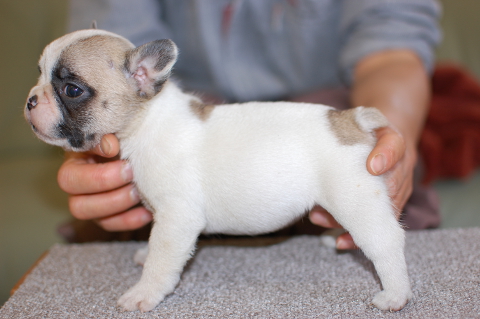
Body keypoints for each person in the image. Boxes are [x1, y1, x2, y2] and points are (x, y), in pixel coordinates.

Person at [58, 0, 442, 249]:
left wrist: (386, 142)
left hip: (327, 107)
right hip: (184, 120)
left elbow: (391, 50)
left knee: (361, 191)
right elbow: (107, 72)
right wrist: (98, 142)